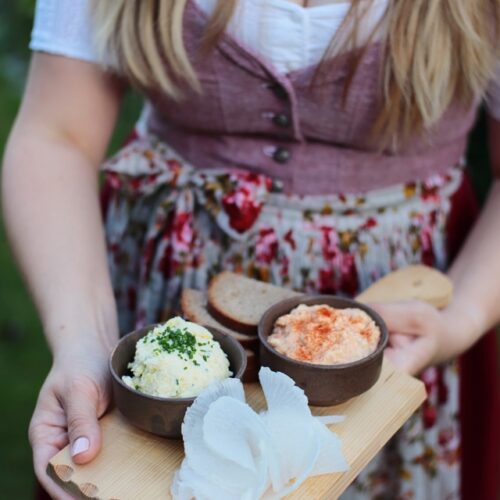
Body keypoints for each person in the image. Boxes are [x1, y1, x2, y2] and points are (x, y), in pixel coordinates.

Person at [2, 0, 500, 498]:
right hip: (164, 294)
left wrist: (464, 315)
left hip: (410, 322)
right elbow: (57, 136)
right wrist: (85, 345)